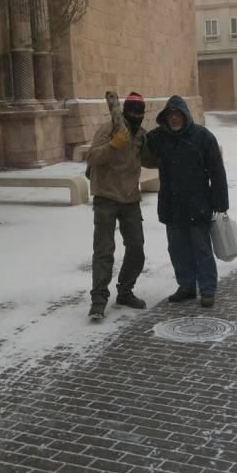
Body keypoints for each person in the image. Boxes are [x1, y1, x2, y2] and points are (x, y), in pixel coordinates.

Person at [142, 95, 228, 309]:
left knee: (201, 248)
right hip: (172, 204)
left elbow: (217, 171)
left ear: (185, 115)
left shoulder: (203, 136)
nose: (174, 119)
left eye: (177, 114)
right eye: (170, 115)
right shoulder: (160, 137)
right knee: (177, 248)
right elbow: (141, 141)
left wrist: (220, 202)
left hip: (198, 203)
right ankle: (186, 286)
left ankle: (207, 289)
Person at [86, 92, 148, 321]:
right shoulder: (108, 130)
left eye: (140, 112)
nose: (136, 116)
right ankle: (98, 301)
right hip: (106, 197)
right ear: (123, 111)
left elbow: (151, 158)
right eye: (132, 111)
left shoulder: (141, 135)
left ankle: (125, 291)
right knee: (104, 251)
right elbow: (92, 158)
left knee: (137, 248)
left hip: (131, 199)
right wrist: (113, 145)